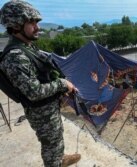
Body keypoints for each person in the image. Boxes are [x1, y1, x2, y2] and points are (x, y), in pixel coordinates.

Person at [0, 1, 81, 167]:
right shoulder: (16, 56)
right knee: (50, 144)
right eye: (31, 22)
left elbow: (41, 74)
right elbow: (34, 92)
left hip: (47, 108)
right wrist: (62, 83)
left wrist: (59, 85)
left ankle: (60, 158)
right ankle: (55, 163)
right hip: (41, 112)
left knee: (56, 138)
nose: (37, 27)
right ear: (15, 25)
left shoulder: (26, 47)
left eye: (37, 22)